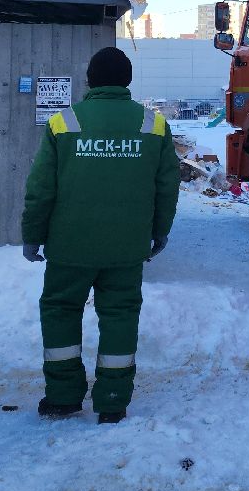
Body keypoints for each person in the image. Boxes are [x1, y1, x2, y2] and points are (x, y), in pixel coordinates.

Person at [21, 46, 179, 424]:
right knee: (121, 316)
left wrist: (32, 235)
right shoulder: (153, 125)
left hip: (68, 248)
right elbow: (167, 187)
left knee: (60, 312)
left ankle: (63, 397)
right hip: (126, 249)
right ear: (127, 81)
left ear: (90, 80)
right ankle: (112, 400)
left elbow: (41, 188)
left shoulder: (63, 123)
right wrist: (159, 234)